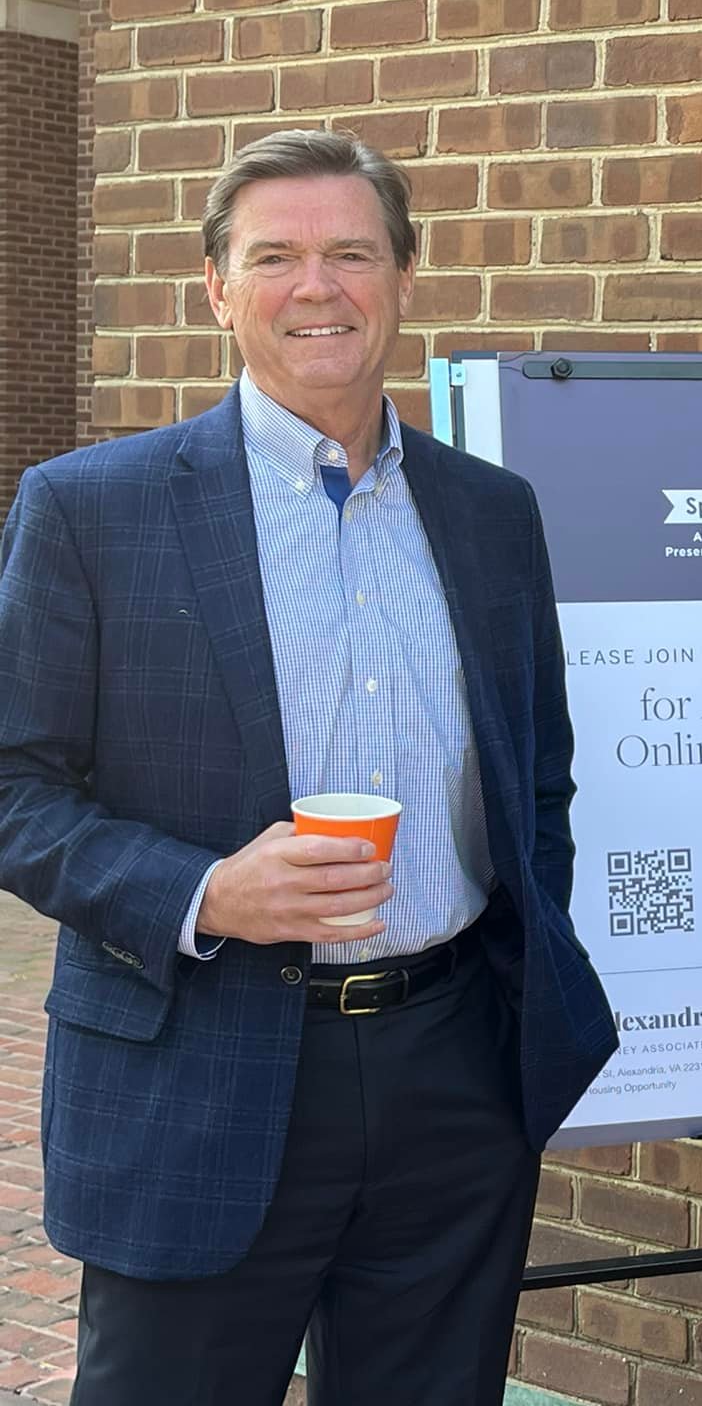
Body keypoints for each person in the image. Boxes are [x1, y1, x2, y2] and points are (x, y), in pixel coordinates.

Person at [0, 129, 618, 1405]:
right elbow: (14, 789)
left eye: (351, 252)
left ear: (402, 276)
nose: (317, 286)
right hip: (198, 1069)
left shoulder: (492, 512)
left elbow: (535, 782)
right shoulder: (89, 508)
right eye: (274, 255)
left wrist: (501, 995)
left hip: (450, 1071)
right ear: (216, 288)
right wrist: (201, 893)